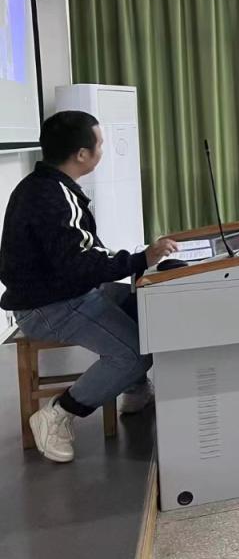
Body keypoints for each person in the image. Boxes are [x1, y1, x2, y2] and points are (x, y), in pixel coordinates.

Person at [0, 111, 178, 463]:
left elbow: (82, 254)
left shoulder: (44, 185)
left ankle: (134, 389)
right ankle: (58, 414)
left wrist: (135, 260)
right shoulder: (54, 196)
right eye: (99, 144)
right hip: (49, 305)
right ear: (82, 154)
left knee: (142, 304)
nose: (102, 150)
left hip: (60, 291)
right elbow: (80, 264)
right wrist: (142, 258)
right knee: (133, 355)